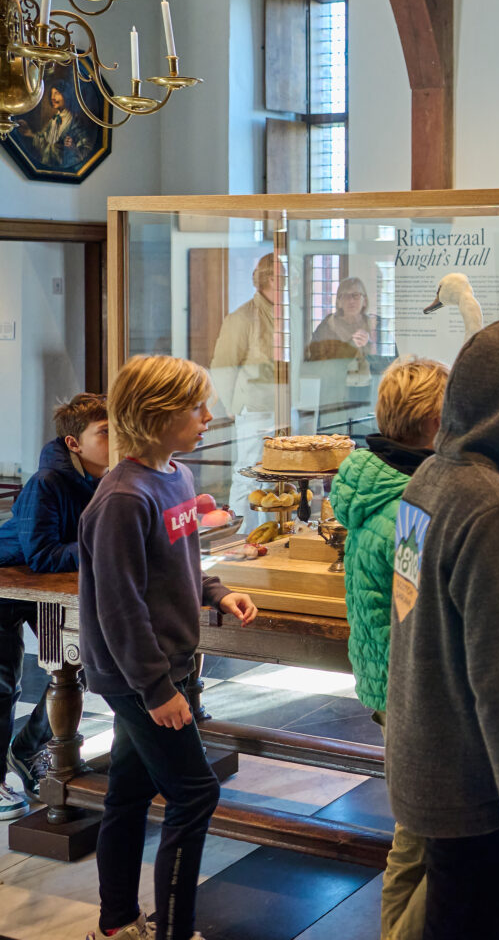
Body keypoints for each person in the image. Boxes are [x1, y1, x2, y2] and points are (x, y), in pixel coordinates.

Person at [387, 320, 499, 937]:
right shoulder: (494, 506)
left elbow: (412, 627)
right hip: (474, 792)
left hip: (425, 761)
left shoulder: (428, 477)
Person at [79, 356, 258, 940]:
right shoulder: (122, 498)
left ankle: (116, 924)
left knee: (128, 794)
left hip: (166, 664)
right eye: (195, 408)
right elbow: (120, 606)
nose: (209, 417)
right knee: (195, 794)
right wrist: (156, 689)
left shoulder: (175, 476)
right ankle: (173, 932)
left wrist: (217, 591)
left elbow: (177, 563)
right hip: (138, 676)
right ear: (157, 416)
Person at [329, 356, 448, 940]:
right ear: (432, 420)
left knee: (416, 827)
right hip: (413, 689)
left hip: (384, 677)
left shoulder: (369, 476)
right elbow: (413, 604)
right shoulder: (411, 503)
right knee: (425, 834)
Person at [0, 393, 109, 817]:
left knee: (73, 665)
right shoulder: (47, 482)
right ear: (73, 444)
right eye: (104, 433)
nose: (115, 439)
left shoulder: (103, 477)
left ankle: (26, 750)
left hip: (44, 586)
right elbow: (43, 553)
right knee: (4, 685)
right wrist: (101, 543)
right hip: (7, 585)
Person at [211, 253, 284, 516]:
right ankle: (241, 533)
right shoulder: (241, 318)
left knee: (283, 475)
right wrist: (232, 406)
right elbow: (222, 366)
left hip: (284, 407)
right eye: (284, 273)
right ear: (271, 277)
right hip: (254, 408)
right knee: (250, 471)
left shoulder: (287, 314)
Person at [306, 275, 377, 427]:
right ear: (338, 301)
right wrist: (350, 346)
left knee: (365, 432)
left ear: (364, 300)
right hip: (334, 392)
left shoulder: (374, 324)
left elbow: (387, 360)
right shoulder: (328, 325)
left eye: (355, 295)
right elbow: (316, 360)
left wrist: (369, 346)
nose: (351, 301)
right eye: (345, 296)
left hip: (366, 391)